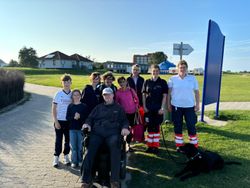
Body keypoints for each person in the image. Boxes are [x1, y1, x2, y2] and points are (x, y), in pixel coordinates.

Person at [81, 87, 130, 188]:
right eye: (105, 95)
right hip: (97, 133)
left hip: (112, 133)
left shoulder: (119, 108)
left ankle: (114, 181)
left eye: (109, 94)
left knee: (115, 148)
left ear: (113, 95)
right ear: (103, 96)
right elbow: (90, 118)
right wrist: (87, 124)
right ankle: (86, 180)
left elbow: (125, 121)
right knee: (90, 151)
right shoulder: (98, 107)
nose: (107, 96)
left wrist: (125, 128)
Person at [167, 60, 200, 152]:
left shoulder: (192, 78)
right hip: (176, 106)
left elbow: (197, 92)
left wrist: (198, 104)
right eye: (180, 67)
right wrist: (168, 105)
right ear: (177, 68)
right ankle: (179, 145)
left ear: (187, 68)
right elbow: (169, 94)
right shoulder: (172, 79)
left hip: (189, 106)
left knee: (191, 125)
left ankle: (194, 145)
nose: (182, 69)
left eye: (184, 67)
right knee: (178, 125)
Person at [142, 64, 168, 154]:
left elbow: (165, 96)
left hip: (158, 109)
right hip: (148, 109)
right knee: (149, 127)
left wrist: (162, 108)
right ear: (151, 71)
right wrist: (144, 106)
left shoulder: (163, 82)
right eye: (153, 71)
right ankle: (150, 146)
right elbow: (144, 95)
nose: (155, 72)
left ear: (159, 72)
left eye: (157, 71)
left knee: (156, 127)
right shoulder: (147, 82)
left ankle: (155, 146)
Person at [52, 74, 72, 167]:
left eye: (68, 82)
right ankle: (56, 157)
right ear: (62, 83)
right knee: (59, 140)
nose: (66, 84)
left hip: (69, 121)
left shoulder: (73, 94)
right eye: (65, 82)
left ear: (71, 83)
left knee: (68, 140)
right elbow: (53, 108)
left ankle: (66, 156)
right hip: (59, 121)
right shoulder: (58, 94)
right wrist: (56, 121)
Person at [115, 76, 139, 152]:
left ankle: (128, 145)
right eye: (120, 82)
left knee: (131, 129)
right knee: (125, 129)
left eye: (123, 81)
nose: (122, 83)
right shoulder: (118, 92)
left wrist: (135, 106)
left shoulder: (131, 90)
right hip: (123, 114)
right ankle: (123, 145)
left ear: (126, 82)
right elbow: (116, 103)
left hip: (132, 113)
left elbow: (137, 99)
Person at [66, 89, 88, 168]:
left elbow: (86, 118)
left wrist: (80, 117)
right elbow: (67, 118)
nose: (76, 97)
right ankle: (74, 161)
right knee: (73, 147)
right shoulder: (70, 106)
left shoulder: (84, 106)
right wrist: (74, 117)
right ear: (72, 96)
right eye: (74, 95)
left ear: (81, 96)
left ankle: (80, 160)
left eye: (78, 95)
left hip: (80, 130)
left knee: (80, 147)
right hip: (72, 129)